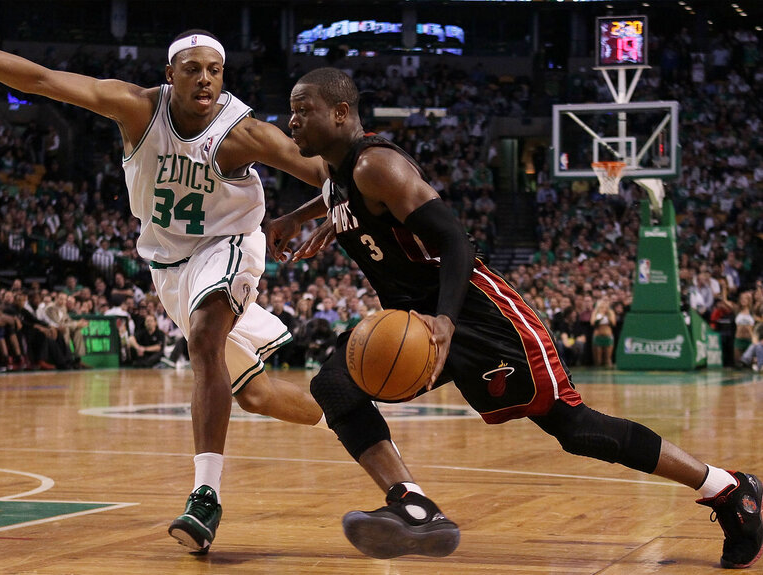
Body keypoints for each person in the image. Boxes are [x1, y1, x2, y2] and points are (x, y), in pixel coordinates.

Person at [266, 67, 762, 567]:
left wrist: (446, 320)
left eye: (303, 109)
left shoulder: (376, 165)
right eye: (291, 110)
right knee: (334, 385)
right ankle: (413, 505)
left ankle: (727, 489)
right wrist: (299, 218)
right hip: (415, 319)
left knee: (575, 428)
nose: (292, 121)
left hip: (477, 314)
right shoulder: (336, 172)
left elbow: (456, 239)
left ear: (341, 113)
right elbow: (337, 195)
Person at [0, 28, 328, 554]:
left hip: (230, 242)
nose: (204, 79)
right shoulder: (135, 109)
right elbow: (41, 79)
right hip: (168, 265)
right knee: (257, 394)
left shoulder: (243, 134)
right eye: (192, 69)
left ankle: (205, 497)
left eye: (214, 70)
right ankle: (346, 415)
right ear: (168, 75)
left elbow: (329, 173)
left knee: (204, 340)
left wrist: (310, 211)